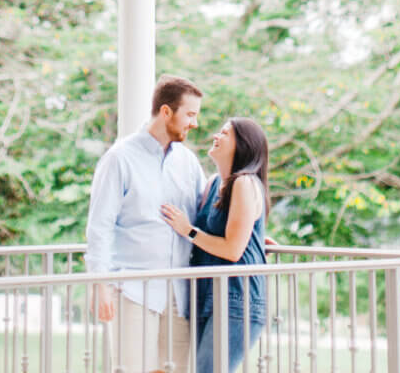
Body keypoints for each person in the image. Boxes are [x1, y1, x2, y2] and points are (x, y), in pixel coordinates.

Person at [86, 75, 205, 373]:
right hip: (132, 288)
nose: (195, 123)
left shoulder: (188, 163)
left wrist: (251, 237)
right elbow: (99, 225)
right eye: (190, 114)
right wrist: (100, 284)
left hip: (179, 291)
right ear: (166, 112)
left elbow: (206, 213)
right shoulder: (119, 158)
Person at [160, 117, 269, 373]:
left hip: (236, 298)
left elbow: (232, 249)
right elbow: (230, 231)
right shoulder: (212, 184)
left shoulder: (244, 183)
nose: (216, 137)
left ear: (243, 145)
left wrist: (188, 231)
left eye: (225, 133)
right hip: (208, 293)